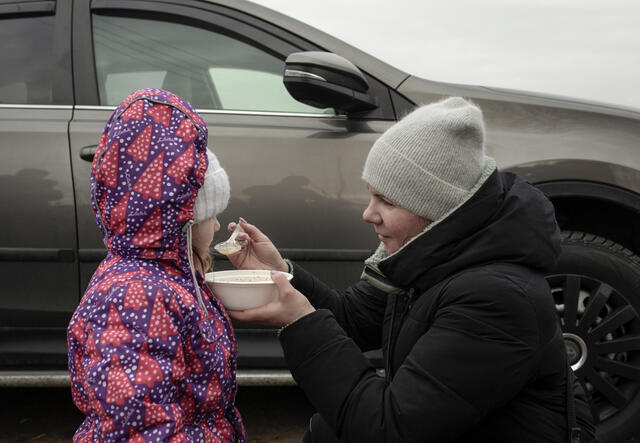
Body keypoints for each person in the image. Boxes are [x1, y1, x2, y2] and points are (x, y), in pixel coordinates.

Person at [226, 97, 595, 442]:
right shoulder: (426, 257)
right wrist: (281, 273)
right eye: (371, 195)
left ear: (438, 209)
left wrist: (301, 322)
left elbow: (388, 428)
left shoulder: (497, 299)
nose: (368, 214)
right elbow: (348, 319)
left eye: (385, 200)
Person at [67, 88, 246, 442]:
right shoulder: (134, 297)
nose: (216, 225)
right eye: (211, 215)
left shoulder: (170, 276)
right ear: (182, 220)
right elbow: (139, 429)